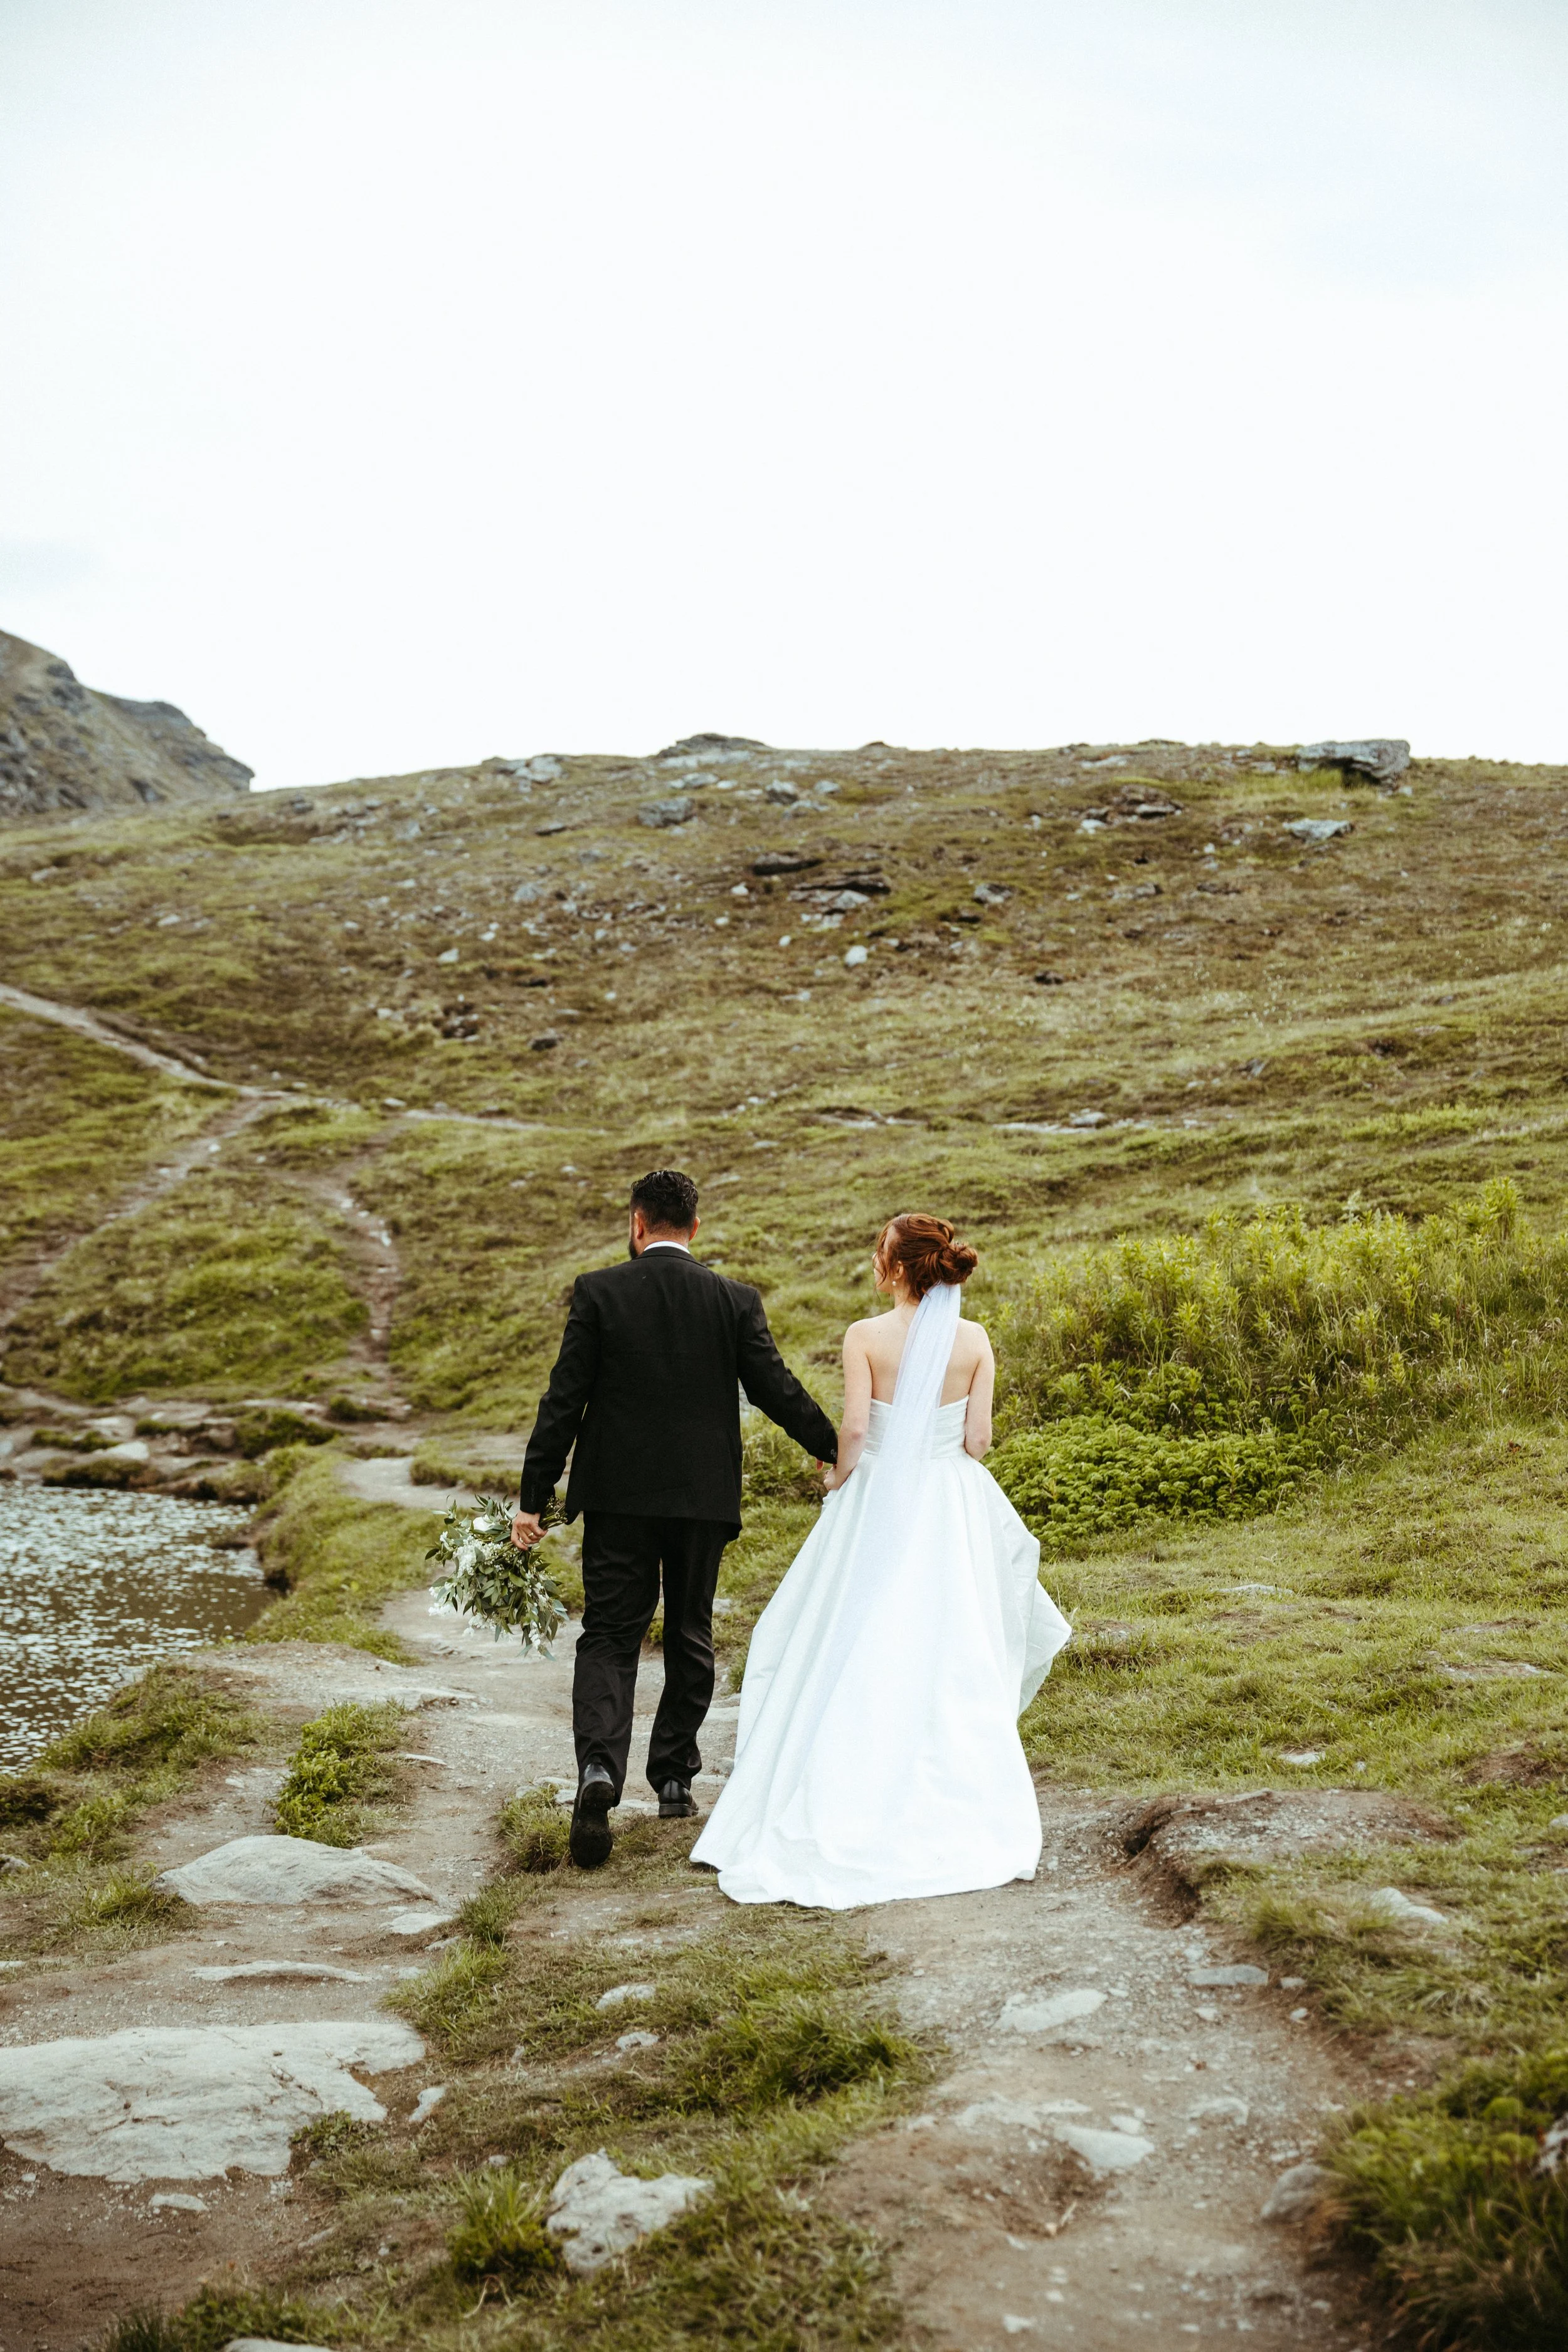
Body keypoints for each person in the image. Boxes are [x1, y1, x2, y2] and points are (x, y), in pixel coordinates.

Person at [691, 1213, 1071, 1909]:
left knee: (849, 1628)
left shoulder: (864, 1336)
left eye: (878, 1253)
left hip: (877, 1500)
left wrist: (837, 1477)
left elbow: (859, 1428)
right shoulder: (976, 1340)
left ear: (893, 1267)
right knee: (951, 1638)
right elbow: (979, 1442)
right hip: (949, 1500)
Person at [513, 1167, 839, 1868]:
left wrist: (533, 1497)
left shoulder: (599, 1292)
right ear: (695, 1228)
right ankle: (672, 1779)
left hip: (617, 1498)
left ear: (636, 1224)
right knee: (691, 1631)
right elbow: (776, 1389)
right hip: (702, 1498)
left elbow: (562, 1400)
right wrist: (834, 1449)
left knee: (609, 1635)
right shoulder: (733, 1299)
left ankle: (599, 1770)